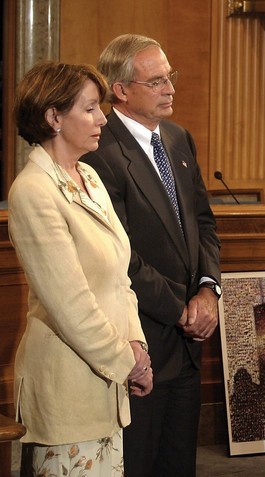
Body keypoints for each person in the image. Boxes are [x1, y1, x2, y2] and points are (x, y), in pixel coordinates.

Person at [83, 34, 221, 477]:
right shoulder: (99, 151)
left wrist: (208, 289)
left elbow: (203, 222)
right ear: (120, 90)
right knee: (139, 461)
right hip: (140, 336)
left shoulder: (179, 139)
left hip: (189, 337)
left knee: (179, 461)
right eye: (157, 80)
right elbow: (119, 253)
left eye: (170, 77)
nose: (170, 88)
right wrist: (180, 309)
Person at [9, 61, 153, 476]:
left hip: (109, 379)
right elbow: (68, 302)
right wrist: (128, 362)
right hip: (66, 384)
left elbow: (120, 278)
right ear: (53, 117)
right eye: (89, 108)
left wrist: (137, 345)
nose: (102, 118)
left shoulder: (88, 176)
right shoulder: (33, 191)